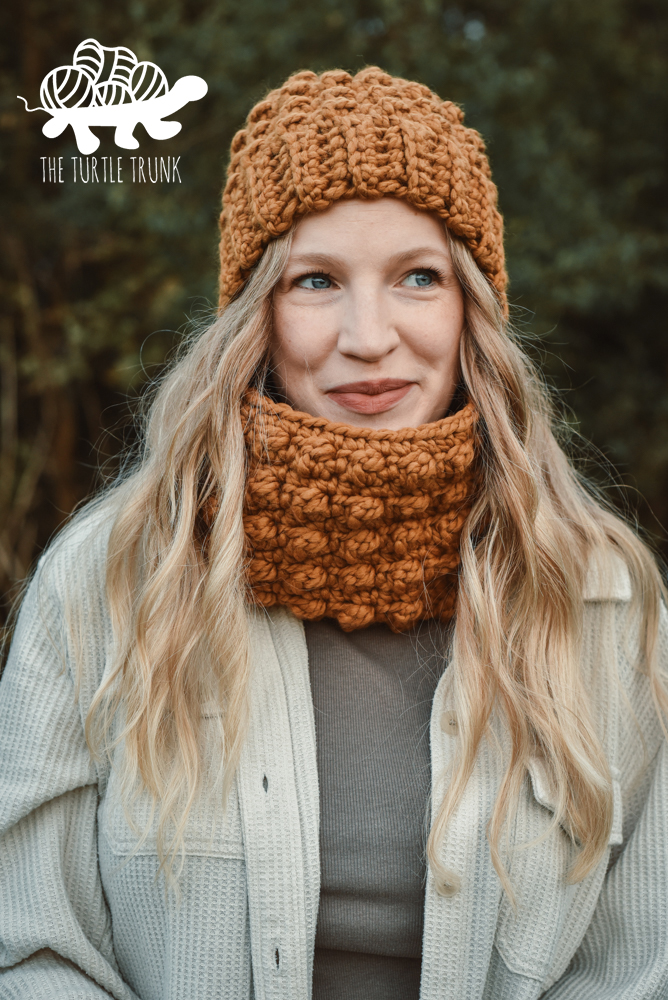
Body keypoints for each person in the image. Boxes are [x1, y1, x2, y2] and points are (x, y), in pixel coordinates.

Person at [1, 67, 667, 1000]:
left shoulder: (598, 595)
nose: (369, 335)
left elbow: (638, 966)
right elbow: (30, 944)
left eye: (418, 278)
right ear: (256, 317)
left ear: (472, 307)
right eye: (315, 280)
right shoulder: (107, 580)